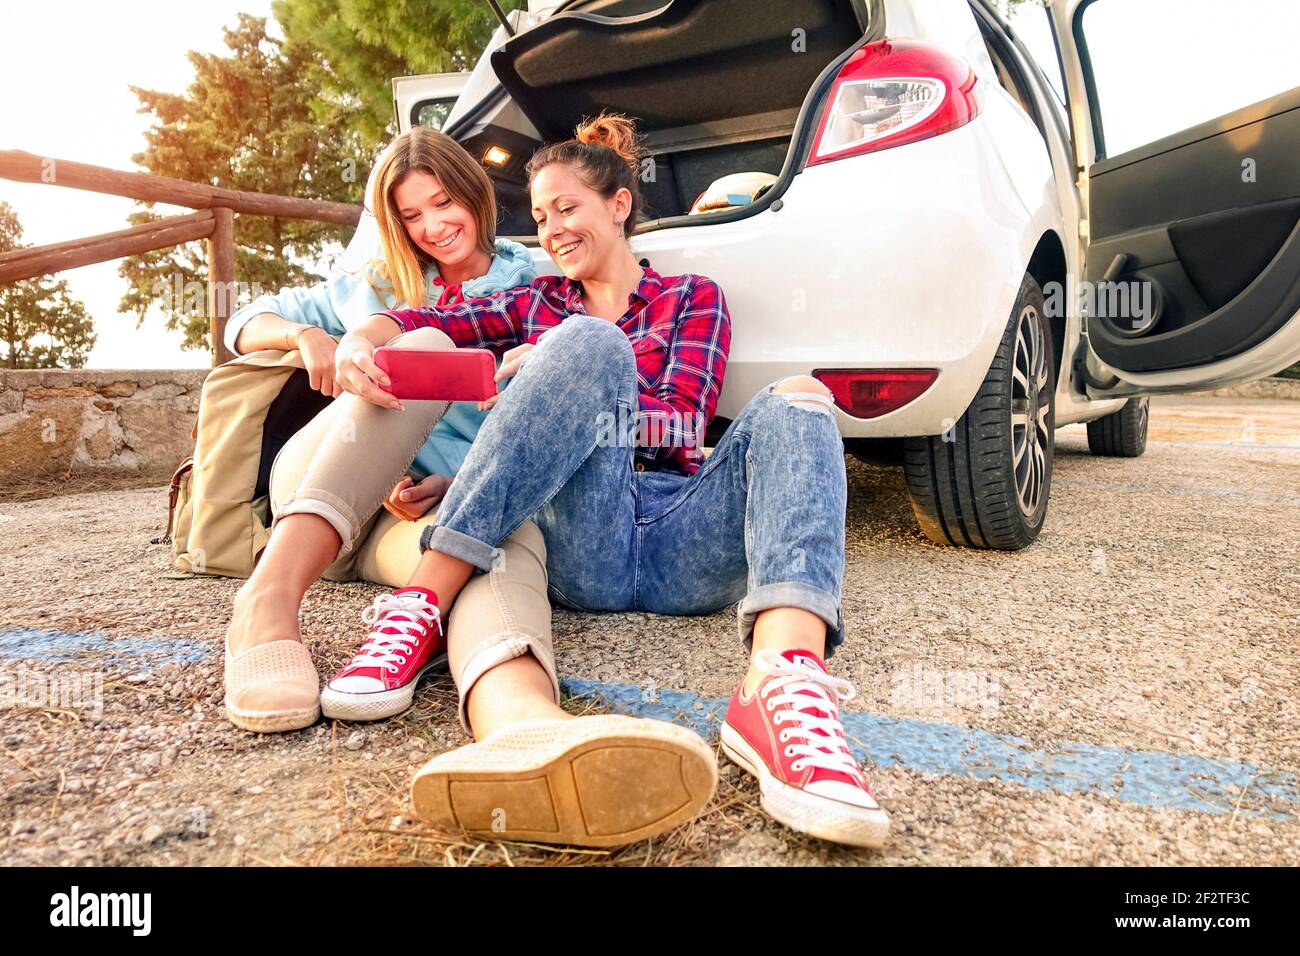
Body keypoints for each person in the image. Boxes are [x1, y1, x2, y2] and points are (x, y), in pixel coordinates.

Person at [337, 113, 890, 849]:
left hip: (685, 541)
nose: (553, 229)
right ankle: (418, 611)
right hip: (586, 537)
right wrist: (358, 340)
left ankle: (780, 682)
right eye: (539, 216)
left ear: (618, 205)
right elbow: (417, 318)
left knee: (801, 399)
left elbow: (684, 426)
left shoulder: (691, 297)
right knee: (584, 340)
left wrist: (565, 390)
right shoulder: (536, 302)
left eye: (567, 208)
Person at [221, 127, 549, 735]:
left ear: (474, 192)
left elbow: (541, 424)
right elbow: (239, 322)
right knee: (424, 342)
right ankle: (266, 602)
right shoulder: (369, 285)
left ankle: (517, 715)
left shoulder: (537, 287)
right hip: (319, 486)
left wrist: (459, 483)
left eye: (444, 201)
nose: (434, 226)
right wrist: (308, 337)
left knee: (498, 543)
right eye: (412, 214)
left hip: (406, 520)